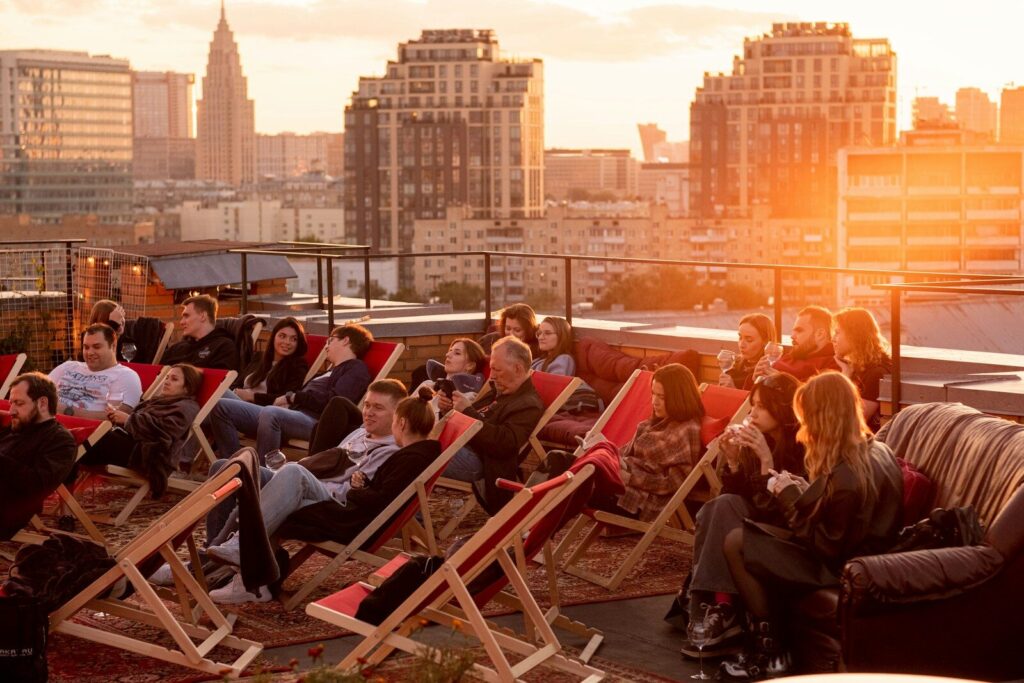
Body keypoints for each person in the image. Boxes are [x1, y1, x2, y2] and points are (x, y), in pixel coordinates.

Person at [717, 372, 903, 680]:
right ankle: (769, 646)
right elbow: (843, 517)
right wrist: (804, 488)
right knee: (750, 532)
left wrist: (787, 495)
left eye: (806, 419)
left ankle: (771, 652)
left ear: (823, 416)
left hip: (841, 567)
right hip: (861, 556)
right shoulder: (873, 449)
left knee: (737, 542)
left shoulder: (848, 476)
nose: (803, 430)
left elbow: (824, 546)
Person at [202, 380, 408, 603]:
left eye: (378, 408)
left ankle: (238, 549)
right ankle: (210, 560)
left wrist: (301, 479)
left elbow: (354, 493)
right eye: (367, 405)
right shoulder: (359, 434)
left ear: (397, 414)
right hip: (310, 486)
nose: (368, 413)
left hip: (331, 505)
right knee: (229, 468)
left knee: (293, 472)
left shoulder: (392, 452)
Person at [682, 372, 803, 658]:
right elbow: (735, 497)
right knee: (720, 505)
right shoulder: (761, 439)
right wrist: (735, 461)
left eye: (761, 406)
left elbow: (777, 513)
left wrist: (766, 461)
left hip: (785, 528)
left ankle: (718, 607)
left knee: (723, 507)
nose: (753, 412)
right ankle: (721, 607)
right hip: (755, 516)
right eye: (753, 405)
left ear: (781, 408)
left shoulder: (802, 444)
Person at [206, 323, 373, 462]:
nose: (326, 345)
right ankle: (235, 465)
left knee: (272, 413)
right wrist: (290, 401)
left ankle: (262, 473)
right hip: (292, 414)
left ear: (345, 341)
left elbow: (336, 403)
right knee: (220, 405)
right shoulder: (328, 371)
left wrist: (293, 397)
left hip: (313, 421)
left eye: (330, 340)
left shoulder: (355, 368)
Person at [439, 336, 544, 514]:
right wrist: (448, 410)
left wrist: (467, 411)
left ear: (517, 369)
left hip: (480, 463)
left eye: (497, 370)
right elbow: (470, 421)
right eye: (491, 369)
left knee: (413, 451)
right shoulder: (500, 391)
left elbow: (503, 443)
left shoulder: (528, 404)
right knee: (405, 446)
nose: (492, 376)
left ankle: (408, 518)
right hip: (461, 449)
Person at [77, 364, 202, 498]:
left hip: (147, 455)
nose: (166, 381)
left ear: (187, 388)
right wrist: (117, 418)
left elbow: (165, 431)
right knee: (82, 438)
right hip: (129, 444)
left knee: (90, 439)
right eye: (167, 377)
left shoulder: (187, 407)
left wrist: (129, 420)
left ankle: (65, 465)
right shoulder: (159, 401)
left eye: (174, 379)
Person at [609, 363, 703, 522]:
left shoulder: (686, 430)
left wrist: (629, 478)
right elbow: (623, 453)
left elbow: (674, 483)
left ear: (679, 397)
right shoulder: (654, 423)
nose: (654, 402)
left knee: (570, 478)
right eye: (653, 394)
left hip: (635, 500)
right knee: (572, 466)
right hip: (617, 481)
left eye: (662, 397)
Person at [0, 373, 77, 539]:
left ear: (42, 403)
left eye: (19, 403)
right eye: (11, 403)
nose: (11, 410)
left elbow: (37, 485)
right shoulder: (17, 428)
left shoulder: (59, 440)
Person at [49, 323, 143, 420]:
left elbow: (116, 418)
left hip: (82, 432)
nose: (90, 352)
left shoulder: (126, 376)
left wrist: (68, 411)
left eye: (97, 347)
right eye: (86, 347)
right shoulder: (68, 366)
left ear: (113, 346)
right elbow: (38, 391)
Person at [832, 307, 892, 432]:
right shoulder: (857, 367)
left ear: (854, 335)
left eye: (837, 333)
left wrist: (846, 376)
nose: (833, 339)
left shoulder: (876, 373)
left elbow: (854, 422)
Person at [229, 317, 309, 406]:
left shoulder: (298, 366)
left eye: (294, 339)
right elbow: (237, 383)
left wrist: (252, 396)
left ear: (298, 343)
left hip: (261, 409)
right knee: (219, 393)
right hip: (238, 401)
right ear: (273, 337)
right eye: (282, 336)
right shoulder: (259, 357)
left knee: (219, 401)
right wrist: (235, 391)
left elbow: (285, 398)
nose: (287, 342)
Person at [531, 316, 603, 413]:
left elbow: (553, 389)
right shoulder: (539, 360)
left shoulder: (564, 359)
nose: (541, 337)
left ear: (561, 336)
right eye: (539, 333)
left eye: (547, 333)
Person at [755, 305, 839, 383]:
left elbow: (815, 393)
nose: (792, 336)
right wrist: (755, 378)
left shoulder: (832, 365)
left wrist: (783, 383)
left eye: (799, 331)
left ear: (820, 334)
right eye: (793, 331)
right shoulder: (791, 355)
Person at [412, 337, 486, 419]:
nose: (447, 355)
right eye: (450, 351)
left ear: (470, 365)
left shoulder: (465, 398)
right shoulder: (427, 385)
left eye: (457, 353)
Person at [161, 294, 239, 371]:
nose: (181, 322)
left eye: (186, 316)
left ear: (202, 316)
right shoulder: (176, 349)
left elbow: (221, 381)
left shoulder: (223, 347)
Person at [720, 314, 776, 390]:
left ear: (765, 341)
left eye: (749, 340)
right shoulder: (734, 365)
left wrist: (733, 391)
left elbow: (755, 401)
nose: (741, 344)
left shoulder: (767, 372)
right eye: (740, 337)